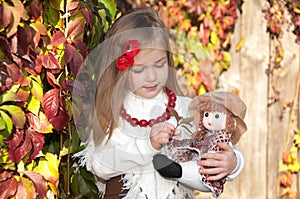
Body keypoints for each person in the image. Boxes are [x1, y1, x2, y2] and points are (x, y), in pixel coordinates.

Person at [74, 7, 244, 199]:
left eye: (159, 64)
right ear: (121, 69)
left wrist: (234, 163)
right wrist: (148, 145)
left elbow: (221, 144)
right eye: (139, 70)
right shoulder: (111, 113)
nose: (152, 76)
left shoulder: (185, 109)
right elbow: (100, 166)